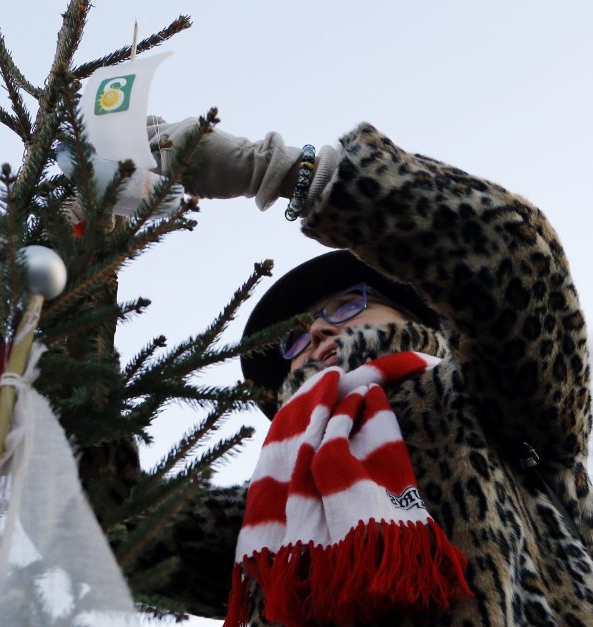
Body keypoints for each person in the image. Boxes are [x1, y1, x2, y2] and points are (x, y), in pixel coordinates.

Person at [142, 118, 593, 626]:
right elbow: (117, 526)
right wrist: (82, 271)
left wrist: (282, 171)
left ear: (413, 314)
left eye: (345, 305)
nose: (313, 333)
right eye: (292, 335)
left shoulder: (487, 397)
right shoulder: (276, 508)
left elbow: (515, 261)